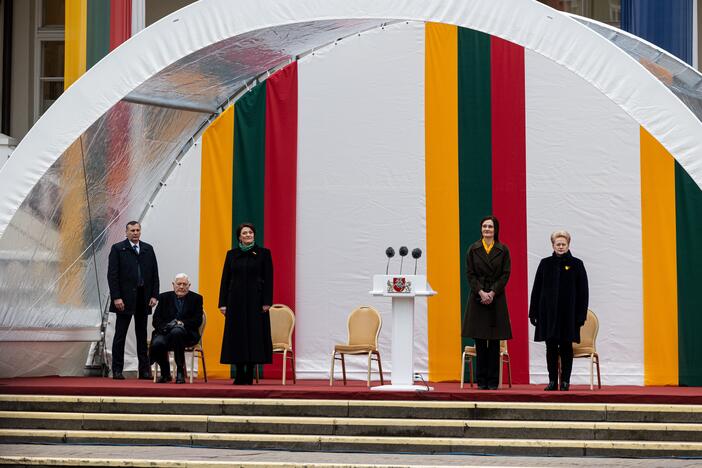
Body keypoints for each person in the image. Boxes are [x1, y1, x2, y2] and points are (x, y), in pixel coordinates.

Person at [529, 230, 589, 391]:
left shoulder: (577, 264)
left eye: (563, 244)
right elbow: (536, 289)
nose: (561, 247)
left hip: (568, 316)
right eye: (558, 244)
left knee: (566, 347)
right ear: (553, 245)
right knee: (550, 348)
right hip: (548, 314)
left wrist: (580, 316)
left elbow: (583, 293)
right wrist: (533, 312)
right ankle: (552, 381)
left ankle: (565, 381)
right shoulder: (545, 263)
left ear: (568, 245)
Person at [218, 222, 273, 385]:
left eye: (250, 232)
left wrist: (267, 302)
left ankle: (249, 372)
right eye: (245, 233)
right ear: (239, 237)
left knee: (254, 336)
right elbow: (225, 280)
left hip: (256, 302)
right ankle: (239, 372)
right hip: (235, 301)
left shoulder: (264, 254)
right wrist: (222, 303)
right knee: (237, 336)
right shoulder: (231, 255)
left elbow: (269, 279)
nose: (248, 235)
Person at [462, 216, 513, 390]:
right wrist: (481, 292)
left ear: (495, 229)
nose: (487, 229)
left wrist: (492, 292)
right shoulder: (473, 249)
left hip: (496, 298)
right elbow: (470, 274)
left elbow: (505, 274)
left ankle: (493, 381)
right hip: (478, 299)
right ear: (481, 229)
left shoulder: (503, 250)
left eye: (490, 227)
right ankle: (481, 381)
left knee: (494, 343)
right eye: (484, 226)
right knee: (481, 342)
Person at [107, 221, 159, 380]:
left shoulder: (147, 249)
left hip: (143, 298)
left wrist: (154, 295)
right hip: (124, 299)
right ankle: (117, 369)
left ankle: (144, 370)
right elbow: (112, 275)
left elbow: (154, 274)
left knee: (142, 335)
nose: (135, 233)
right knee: (120, 335)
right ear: (126, 232)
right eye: (132, 230)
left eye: (138, 230)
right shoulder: (118, 249)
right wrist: (116, 297)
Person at [149, 273, 203, 384]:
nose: (182, 287)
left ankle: (180, 371)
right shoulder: (164, 297)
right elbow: (156, 320)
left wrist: (181, 323)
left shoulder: (196, 298)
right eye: (179, 284)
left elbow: (197, 320)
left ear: (189, 285)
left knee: (177, 331)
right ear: (173, 285)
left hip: (187, 335)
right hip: (166, 333)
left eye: (185, 284)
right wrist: (166, 327)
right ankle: (165, 373)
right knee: (157, 343)